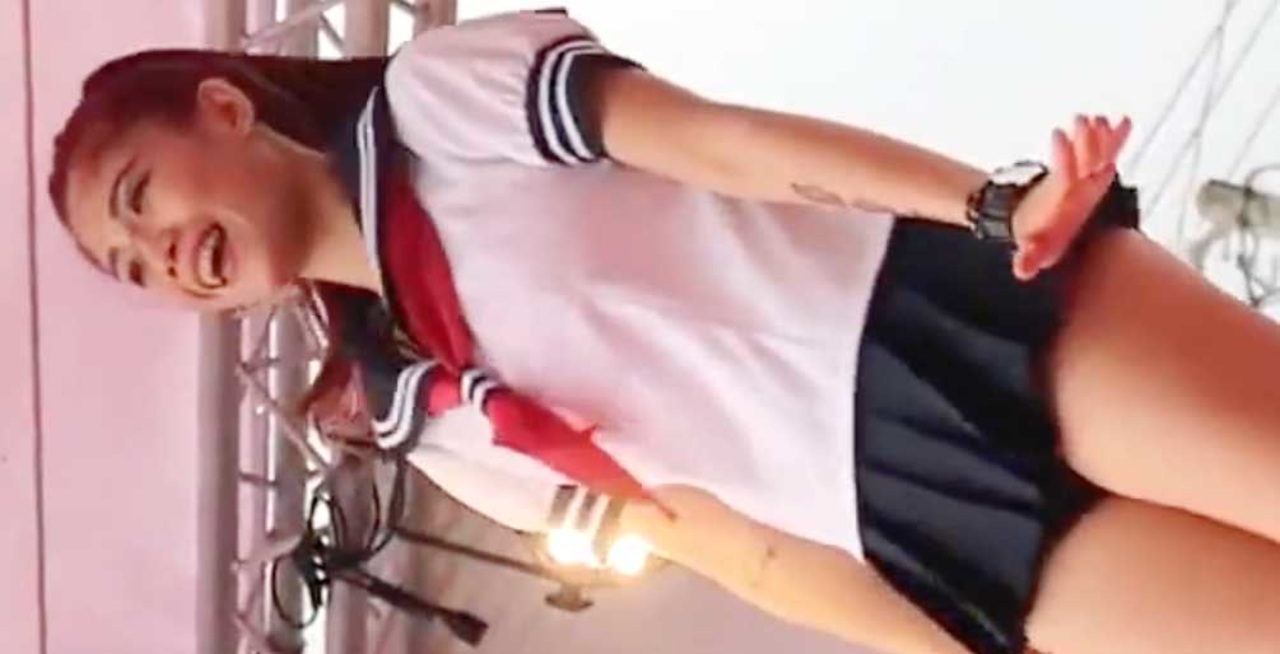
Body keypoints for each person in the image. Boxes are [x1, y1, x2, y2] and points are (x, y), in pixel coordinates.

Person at [49, 9, 1280, 654]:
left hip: (923, 317)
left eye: (141, 198)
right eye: (131, 265)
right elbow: (727, 546)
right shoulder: (412, 414)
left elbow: (727, 143)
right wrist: (943, 638)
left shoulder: (435, 102)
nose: (161, 254)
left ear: (222, 108)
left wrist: (991, 205)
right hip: (906, 521)